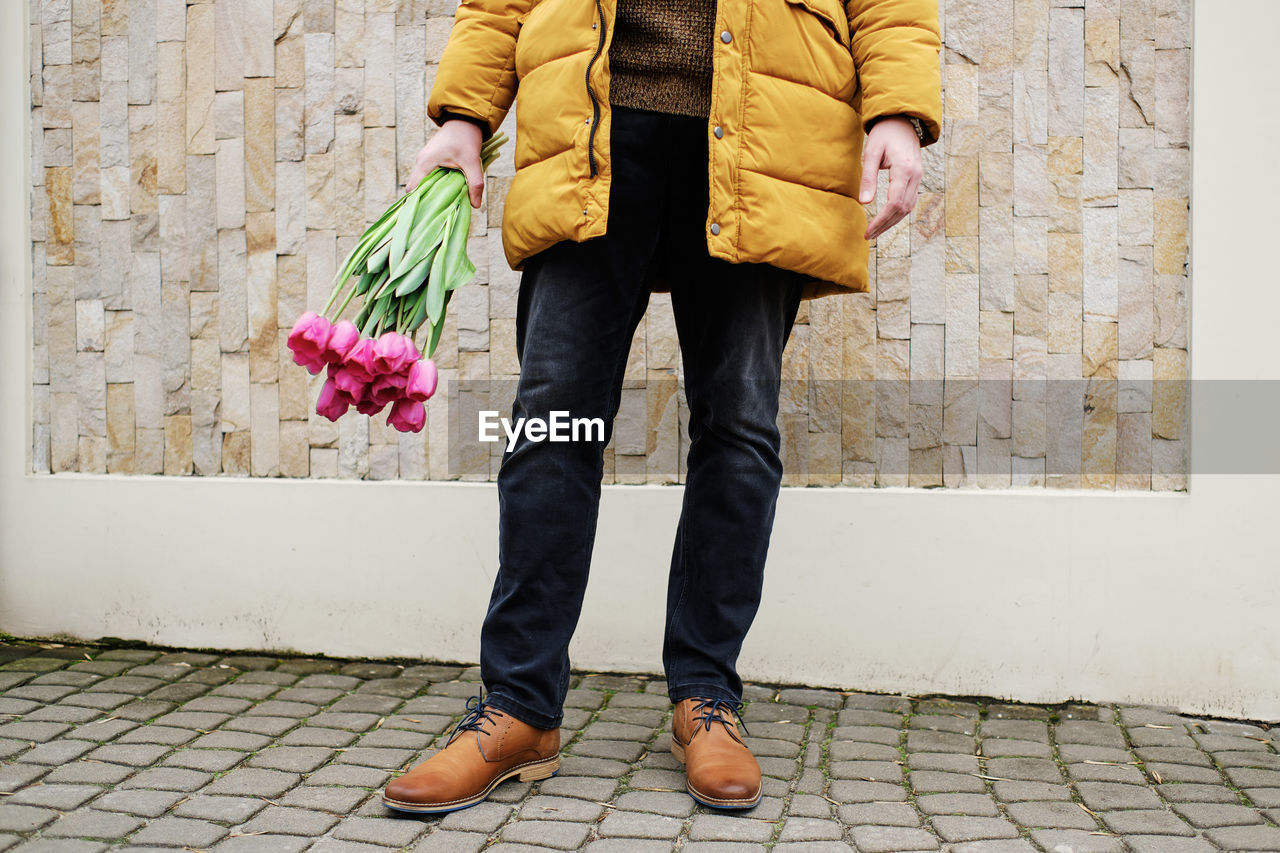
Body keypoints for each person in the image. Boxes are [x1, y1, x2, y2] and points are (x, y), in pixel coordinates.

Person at [381, 0, 941, 815]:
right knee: (548, 425)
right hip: (591, 131)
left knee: (739, 428)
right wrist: (465, 116)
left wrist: (897, 108)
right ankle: (518, 707)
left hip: (766, 132)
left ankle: (706, 698)